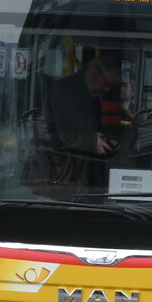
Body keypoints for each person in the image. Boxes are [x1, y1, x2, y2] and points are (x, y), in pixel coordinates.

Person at [22, 54, 121, 198]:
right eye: (107, 85)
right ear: (94, 73)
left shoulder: (88, 95)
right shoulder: (62, 92)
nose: (107, 90)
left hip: (72, 181)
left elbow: (85, 131)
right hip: (56, 181)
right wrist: (92, 141)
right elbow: (52, 134)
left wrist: (103, 142)